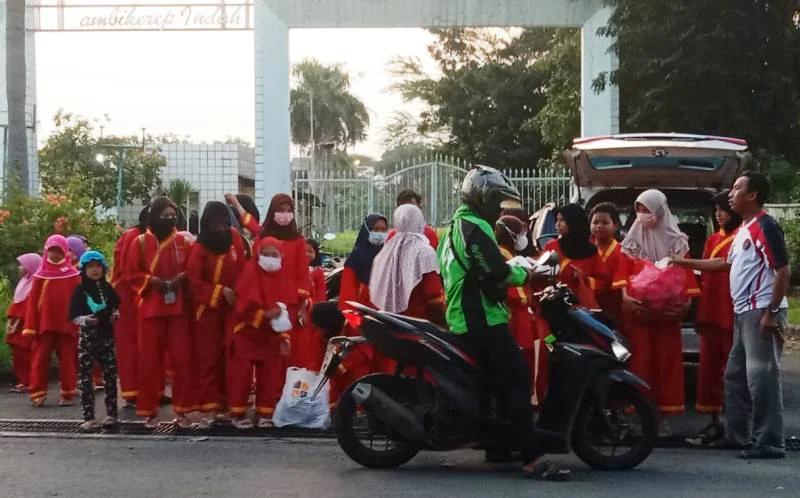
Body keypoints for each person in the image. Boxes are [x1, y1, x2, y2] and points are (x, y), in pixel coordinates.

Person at [438, 165, 570, 481]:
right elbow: (494, 272)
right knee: (518, 377)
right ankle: (532, 457)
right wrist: (530, 273)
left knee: (494, 382)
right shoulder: (475, 227)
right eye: (495, 200)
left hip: (463, 316)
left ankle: (496, 446)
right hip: (480, 317)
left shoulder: (455, 226)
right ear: (481, 196)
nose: (498, 207)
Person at [673, 172, 789, 459]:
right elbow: (723, 264)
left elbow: (783, 271)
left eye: (737, 188)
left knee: (761, 377)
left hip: (759, 310)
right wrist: (681, 261)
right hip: (743, 312)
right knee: (735, 376)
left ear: (752, 195)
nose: (730, 194)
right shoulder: (745, 230)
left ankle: (770, 442)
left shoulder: (765, 226)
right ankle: (739, 435)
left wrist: (771, 313)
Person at [615, 189, 700, 436]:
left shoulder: (678, 242)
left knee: (666, 365)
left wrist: (684, 305)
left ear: (661, 211)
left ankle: (663, 418)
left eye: (648, 210)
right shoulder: (631, 241)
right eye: (639, 210)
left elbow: (686, 275)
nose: (643, 215)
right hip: (639, 316)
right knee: (640, 363)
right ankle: (638, 416)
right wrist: (626, 298)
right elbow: (622, 275)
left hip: (667, 319)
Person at [671, 191, 742, 447]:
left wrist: (683, 262)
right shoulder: (713, 238)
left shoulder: (740, 237)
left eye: (723, 209)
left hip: (730, 309)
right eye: (716, 211)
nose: (719, 214)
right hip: (711, 308)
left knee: (730, 371)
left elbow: (720, 266)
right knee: (710, 371)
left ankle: (733, 422)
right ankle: (714, 421)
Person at [125, 196, 195, 428]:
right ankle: (149, 411)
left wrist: (181, 278)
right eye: (164, 215)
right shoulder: (141, 242)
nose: (169, 219)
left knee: (182, 361)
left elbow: (193, 269)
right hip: (151, 308)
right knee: (149, 362)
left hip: (178, 310)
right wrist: (152, 281)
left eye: (172, 215)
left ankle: (182, 411)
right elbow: (131, 273)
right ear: (153, 216)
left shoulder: (184, 242)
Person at [187, 201, 249, 425]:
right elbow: (193, 282)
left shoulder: (234, 239)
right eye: (215, 224)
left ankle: (231, 405)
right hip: (208, 312)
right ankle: (209, 408)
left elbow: (243, 270)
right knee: (209, 358)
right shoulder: (199, 247)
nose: (220, 228)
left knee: (231, 357)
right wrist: (220, 292)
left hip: (233, 309)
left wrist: (242, 297)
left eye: (223, 222)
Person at [227, 237, 293, 429]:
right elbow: (241, 308)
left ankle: (265, 413)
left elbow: (287, 309)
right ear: (257, 255)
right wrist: (263, 314)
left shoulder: (283, 278)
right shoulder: (249, 274)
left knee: (269, 375)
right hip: (246, 332)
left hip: (270, 335)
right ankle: (237, 414)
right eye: (266, 255)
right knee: (241, 375)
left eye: (275, 255)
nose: (270, 259)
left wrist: (284, 336)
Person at [23, 235, 82, 407]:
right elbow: (33, 303)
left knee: (67, 360)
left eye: (59, 251)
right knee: (39, 359)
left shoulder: (73, 275)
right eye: (52, 251)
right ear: (46, 251)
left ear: (65, 252)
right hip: (44, 325)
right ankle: (37, 393)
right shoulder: (40, 276)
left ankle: (68, 393)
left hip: (67, 324)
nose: (55, 255)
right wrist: (30, 326)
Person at [370, 204, 446, 327]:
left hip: (389, 325)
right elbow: (434, 298)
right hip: (419, 329)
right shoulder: (424, 252)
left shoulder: (388, 250)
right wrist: (443, 327)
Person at [69, 251, 120, 431]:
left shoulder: (108, 288)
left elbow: (116, 306)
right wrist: (86, 320)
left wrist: (115, 315)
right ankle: (89, 417)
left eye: (98, 266)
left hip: (106, 337)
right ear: (83, 270)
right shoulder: (79, 290)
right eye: (90, 267)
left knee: (111, 376)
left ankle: (111, 415)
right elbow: (73, 316)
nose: (95, 270)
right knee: (85, 378)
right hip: (88, 339)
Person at [494, 215, 539, 406]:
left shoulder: (507, 255)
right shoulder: (505, 257)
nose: (524, 237)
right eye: (521, 233)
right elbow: (517, 294)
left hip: (517, 317)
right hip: (515, 318)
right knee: (522, 359)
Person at [110, 206, 149, 408]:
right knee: (130, 346)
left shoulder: (148, 236)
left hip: (141, 295)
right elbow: (128, 271)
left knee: (147, 345)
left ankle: (151, 391)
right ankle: (132, 392)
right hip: (127, 297)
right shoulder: (133, 237)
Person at [310, 301, 382, 408]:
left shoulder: (357, 330)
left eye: (319, 327)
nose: (317, 330)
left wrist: (343, 403)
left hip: (360, 381)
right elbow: (317, 364)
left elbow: (359, 369)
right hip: (335, 383)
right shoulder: (322, 334)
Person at [545, 204, 605, 305]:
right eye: (557, 220)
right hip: (554, 304)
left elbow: (602, 283)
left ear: (574, 222)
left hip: (581, 308)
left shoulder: (591, 251)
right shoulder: (551, 247)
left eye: (562, 220)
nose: (557, 225)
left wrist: (584, 279)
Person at [5, 253, 42, 393]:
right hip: (16, 323)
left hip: (27, 324)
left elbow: (29, 306)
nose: (20, 268)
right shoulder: (23, 283)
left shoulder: (34, 283)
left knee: (28, 354)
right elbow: (16, 302)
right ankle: (22, 380)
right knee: (18, 355)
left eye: (22, 265)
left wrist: (17, 321)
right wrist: (11, 319)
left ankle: (29, 381)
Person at [290, 239, 328, 371]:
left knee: (307, 350)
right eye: (304, 250)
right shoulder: (292, 270)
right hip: (293, 315)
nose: (307, 254)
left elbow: (321, 296)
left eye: (310, 251)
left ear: (316, 254)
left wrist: (307, 303)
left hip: (309, 319)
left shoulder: (317, 273)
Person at [339, 214, 388, 311]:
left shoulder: (389, 256)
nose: (380, 234)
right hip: (362, 312)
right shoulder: (355, 258)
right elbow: (347, 293)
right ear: (366, 230)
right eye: (376, 229)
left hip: (386, 314)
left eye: (383, 230)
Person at [590, 203, 625, 327]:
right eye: (595, 222)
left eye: (605, 223)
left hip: (616, 309)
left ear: (615, 226)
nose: (599, 226)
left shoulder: (623, 252)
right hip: (589, 309)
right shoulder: (584, 250)